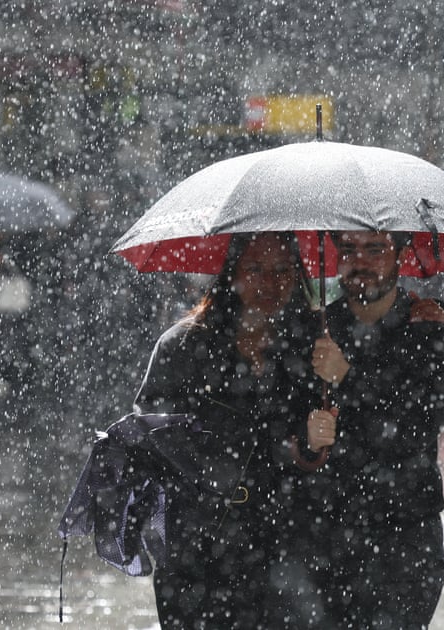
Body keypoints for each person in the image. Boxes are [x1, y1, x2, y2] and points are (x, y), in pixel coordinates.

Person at [131, 232, 318, 628]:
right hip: (197, 551)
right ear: (231, 273)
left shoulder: (313, 345)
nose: (271, 283)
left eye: (283, 270)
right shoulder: (183, 346)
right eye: (255, 269)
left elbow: (326, 441)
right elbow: (152, 437)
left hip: (285, 547)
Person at [281, 230, 444, 629]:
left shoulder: (427, 321)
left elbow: (418, 425)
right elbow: (289, 430)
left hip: (403, 538)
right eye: (348, 250)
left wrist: (347, 377)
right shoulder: (319, 327)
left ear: (400, 256)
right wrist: (308, 443)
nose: (360, 261)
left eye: (375, 249)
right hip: (326, 535)